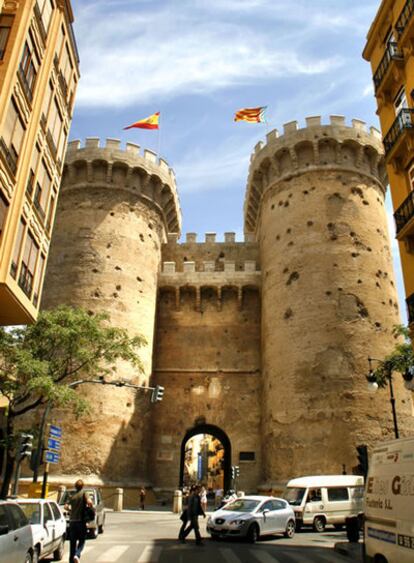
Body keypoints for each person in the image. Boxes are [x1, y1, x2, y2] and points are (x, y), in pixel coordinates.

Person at [66, 479, 93, 563]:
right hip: (81, 521)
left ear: (75, 486)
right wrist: (89, 508)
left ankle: (71, 560)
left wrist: (71, 511)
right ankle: (77, 555)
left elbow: (66, 507)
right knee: (82, 540)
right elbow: (89, 502)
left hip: (72, 521)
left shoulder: (72, 495)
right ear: (82, 486)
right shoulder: (84, 493)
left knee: (72, 543)